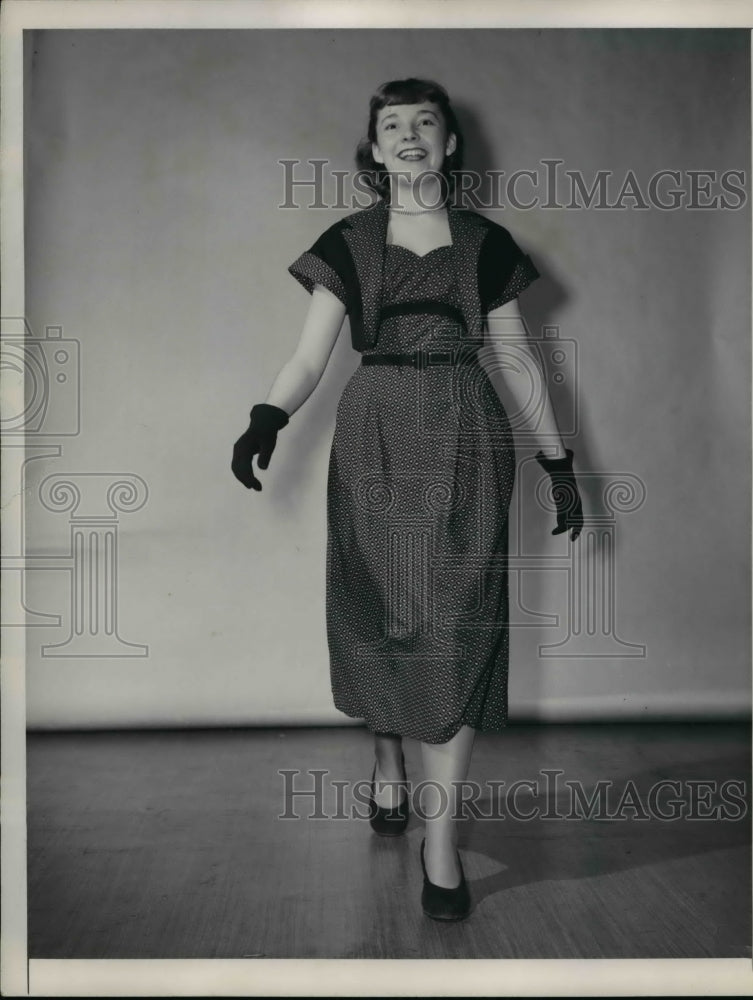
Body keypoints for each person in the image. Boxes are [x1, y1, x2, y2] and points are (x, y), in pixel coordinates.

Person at [231, 78, 583, 922]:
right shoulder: (348, 241)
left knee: (454, 626)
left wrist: (557, 459)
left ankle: (439, 843)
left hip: (465, 434)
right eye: (393, 124)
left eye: (427, 122)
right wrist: (268, 416)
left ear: (450, 144)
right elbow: (312, 356)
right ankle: (386, 756)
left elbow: (517, 359)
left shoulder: (487, 243)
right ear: (375, 150)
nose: (411, 135)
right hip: (376, 432)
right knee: (386, 611)